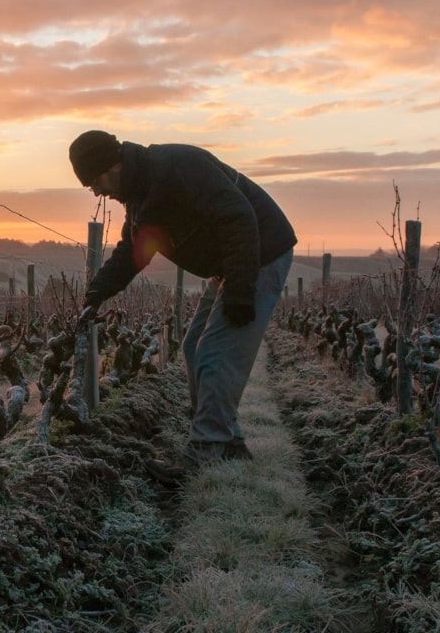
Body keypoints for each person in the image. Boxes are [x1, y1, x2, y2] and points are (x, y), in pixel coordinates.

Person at [68, 130, 296, 483]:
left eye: (94, 181)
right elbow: (134, 252)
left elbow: (239, 217)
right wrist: (95, 295)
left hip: (260, 255)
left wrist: (240, 290)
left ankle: (206, 450)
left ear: (112, 164)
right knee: (192, 348)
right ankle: (228, 441)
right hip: (229, 265)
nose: (98, 192)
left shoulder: (175, 167)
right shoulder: (142, 196)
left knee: (214, 354)